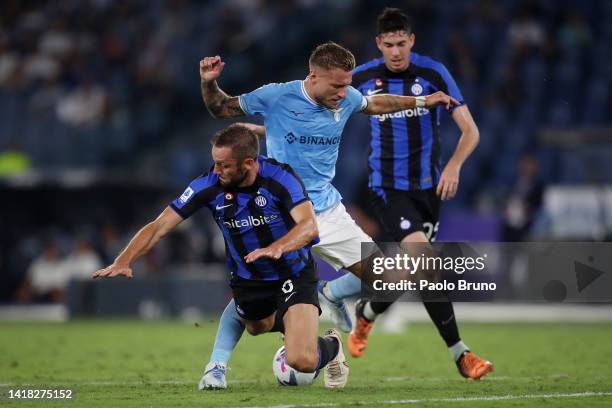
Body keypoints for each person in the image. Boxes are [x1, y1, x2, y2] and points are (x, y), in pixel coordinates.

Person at [198, 41, 459, 388]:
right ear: (313, 76)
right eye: (336, 85)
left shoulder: (347, 97)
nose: (343, 92)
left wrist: (425, 100)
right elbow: (222, 108)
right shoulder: (276, 96)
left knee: (389, 281)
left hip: (328, 212)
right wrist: (208, 82)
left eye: (347, 84)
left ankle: (331, 295)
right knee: (252, 303)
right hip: (278, 217)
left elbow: (376, 103)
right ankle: (218, 364)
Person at [92, 124, 349, 390]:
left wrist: (280, 246)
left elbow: (309, 226)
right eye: (215, 163)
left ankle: (330, 344)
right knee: (256, 327)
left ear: (248, 163)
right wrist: (124, 260)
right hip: (248, 275)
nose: (216, 171)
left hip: (293, 272)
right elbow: (159, 225)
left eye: (224, 165)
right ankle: (293, 326)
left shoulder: (281, 178)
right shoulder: (208, 185)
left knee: (302, 360)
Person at [325, 7, 491, 380]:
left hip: (428, 192)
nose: (396, 51)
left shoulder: (433, 74)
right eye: (389, 44)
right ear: (378, 44)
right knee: (427, 263)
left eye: (402, 43)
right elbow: (318, 104)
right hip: (387, 190)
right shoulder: (363, 78)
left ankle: (367, 314)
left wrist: (453, 166)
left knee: (407, 273)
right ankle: (461, 355)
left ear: (411, 41)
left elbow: (471, 130)